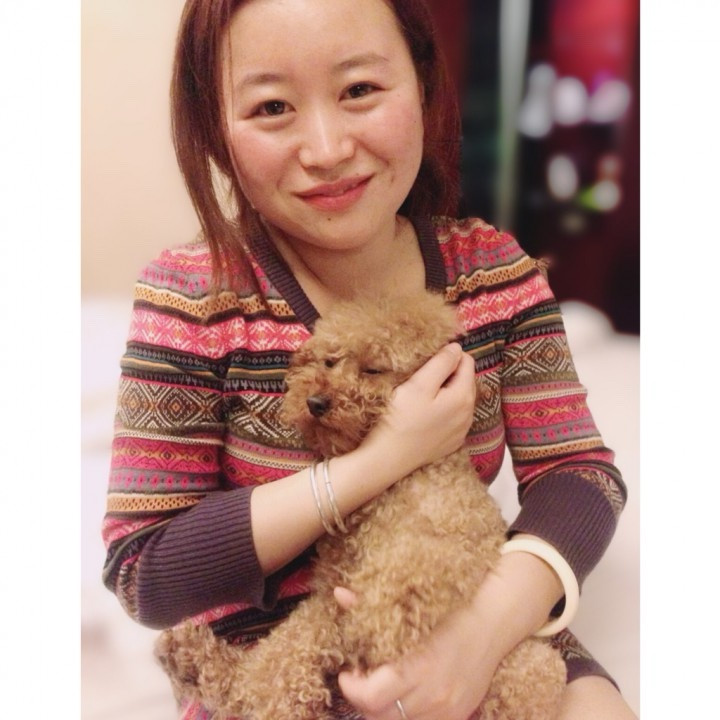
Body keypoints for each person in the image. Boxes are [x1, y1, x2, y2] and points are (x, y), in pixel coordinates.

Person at [101, 0, 637, 718]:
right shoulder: (195, 297)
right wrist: (382, 459)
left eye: (359, 89)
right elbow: (143, 570)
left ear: (422, 83)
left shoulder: (494, 273)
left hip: (470, 608)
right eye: (271, 107)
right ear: (216, 127)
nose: (326, 149)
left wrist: (483, 631)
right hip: (273, 662)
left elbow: (580, 474)